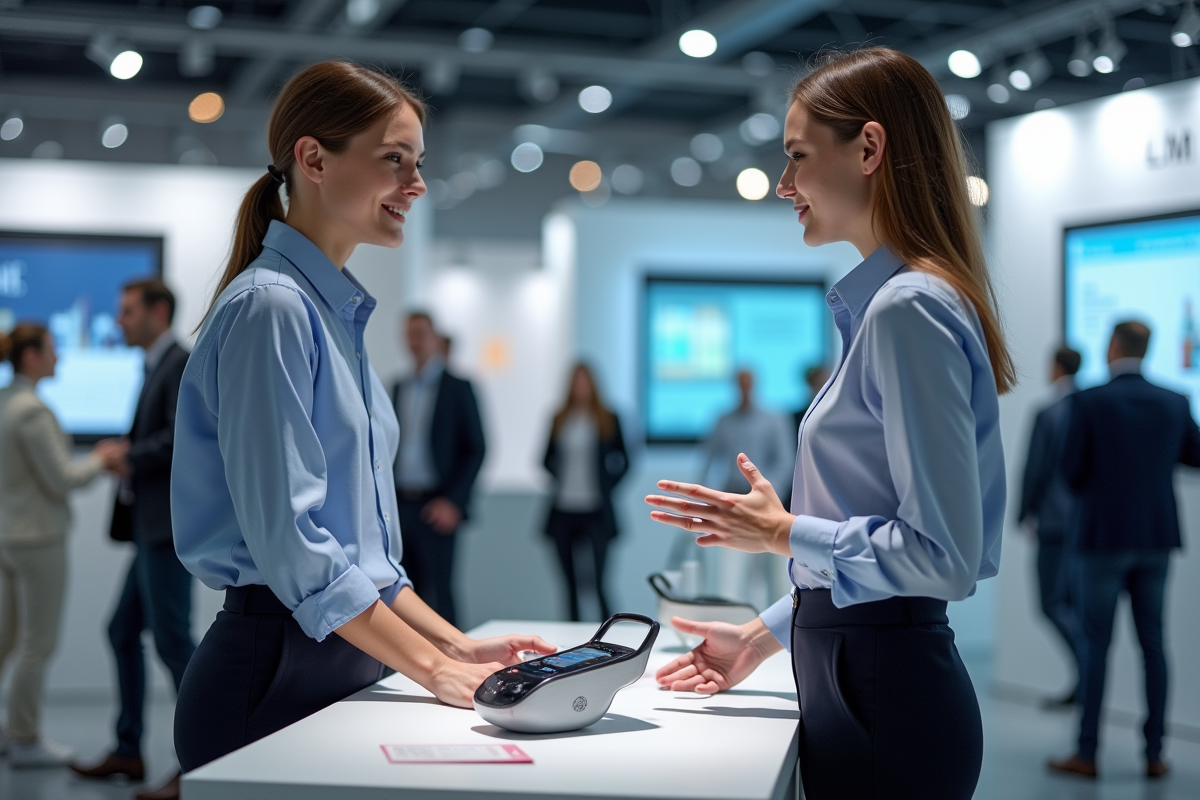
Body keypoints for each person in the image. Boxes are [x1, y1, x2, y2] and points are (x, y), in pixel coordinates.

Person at [645, 47, 1012, 800]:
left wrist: (780, 532)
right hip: (863, 677)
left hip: (887, 695)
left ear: (869, 149)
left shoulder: (908, 309)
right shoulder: (890, 308)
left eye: (797, 157)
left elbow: (940, 557)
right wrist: (758, 637)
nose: (784, 185)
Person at [168, 61, 553, 774]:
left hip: (341, 657)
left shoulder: (328, 314)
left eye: (418, 162)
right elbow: (298, 548)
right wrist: (432, 669)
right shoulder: (272, 308)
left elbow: (365, 561)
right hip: (271, 675)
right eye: (393, 160)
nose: (417, 184)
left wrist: (455, 647)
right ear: (313, 159)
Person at [1048, 322, 1200, 781]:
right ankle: (1154, 754)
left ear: (1111, 345)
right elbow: (1194, 457)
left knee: (1096, 646)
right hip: (1155, 538)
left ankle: (1088, 753)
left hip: (1100, 539)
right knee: (1154, 645)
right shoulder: (1175, 401)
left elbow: (1069, 470)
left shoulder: (1088, 400)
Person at [72, 280, 194, 800]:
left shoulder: (178, 363)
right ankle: (128, 750)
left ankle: (198, 760)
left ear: (158, 311)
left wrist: (130, 455)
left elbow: (180, 438)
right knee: (123, 632)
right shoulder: (154, 365)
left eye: (126, 312)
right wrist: (131, 449)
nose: (118, 321)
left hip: (164, 529)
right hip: (149, 528)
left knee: (172, 643)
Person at [0, 324, 127, 767]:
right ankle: (24, 737)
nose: (60, 358)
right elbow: (62, 480)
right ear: (31, 356)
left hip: (8, 538)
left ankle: (12, 733)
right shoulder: (32, 410)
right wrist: (103, 458)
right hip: (38, 540)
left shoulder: (5, 403)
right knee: (38, 643)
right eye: (53, 350)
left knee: (8, 639)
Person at [390, 312, 486, 626]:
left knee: (441, 593)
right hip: (401, 503)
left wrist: (454, 502)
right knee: (402, 593)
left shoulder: (457, 388)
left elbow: (476, 448)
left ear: (435, 338)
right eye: (409, 334)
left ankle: (454, 664)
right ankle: (406, 666)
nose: (415, 341)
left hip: (439, 505)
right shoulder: (398, 388)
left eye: (420, 333)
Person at [1017, 345, 1082, 709]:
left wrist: (1025, 513)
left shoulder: (1050, 411)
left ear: (1056, 367)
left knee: (1052, 602)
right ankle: (1084, 679)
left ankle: (1087, 671)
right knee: (1071, 602)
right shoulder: (1090, 406)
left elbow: (1036, 468)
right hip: (1084, 522)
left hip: (1055, 523)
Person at [542, 363, 629, 621]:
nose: (580, 387)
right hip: (564, 509)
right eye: (576, 382)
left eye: (585, 381)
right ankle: (572, 639)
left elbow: (625, 460)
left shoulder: (608, 419)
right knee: (569, 585)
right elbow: (545, 458)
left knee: (599, 582)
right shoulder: (559, 418)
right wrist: (562, 477)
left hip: (597, 511)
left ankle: (608, 639)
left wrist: (606, 485)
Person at [700, 369, 792, 608]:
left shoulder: (774, 419)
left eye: (748, 383)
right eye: (740, 383)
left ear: (754, 384)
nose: (744, 388)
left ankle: (777, 635)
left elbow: (784, 462)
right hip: (733, 503)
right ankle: (731, 631)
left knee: (776, 579)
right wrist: (704, 501)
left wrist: (768, 497)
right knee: (729, 577)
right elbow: (709, 462)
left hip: (768, 506)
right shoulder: (723, 420)